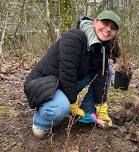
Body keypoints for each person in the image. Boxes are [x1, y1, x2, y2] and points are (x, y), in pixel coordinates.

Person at [24, 10, 121, 138]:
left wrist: (101, 107)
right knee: (55, 113)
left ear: (115, 33)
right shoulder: (75, 37)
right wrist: (72, 104)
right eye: (105, 23)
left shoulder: (103, 48)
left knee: (106, 71)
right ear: (95, 21)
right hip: (44, 83)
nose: (108, 29)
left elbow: (100, 78)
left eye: (113, 28)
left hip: (63, 83)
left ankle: (88, 111)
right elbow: (67, 72)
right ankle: (42, 119)